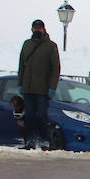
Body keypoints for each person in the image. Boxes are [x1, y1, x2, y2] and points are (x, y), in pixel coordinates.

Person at [18, 18, 61, 150]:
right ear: (32, 29)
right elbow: (21, 66)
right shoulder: (27, 44)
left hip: (43, 90)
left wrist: (52, 87)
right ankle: (30, 139)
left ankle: (44, 140)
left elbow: (55, 68)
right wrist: (20, 83)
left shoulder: (50, 46)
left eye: (39, 28)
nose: (37, 30)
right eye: (35, 28)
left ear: (44, 29)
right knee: (29, 116)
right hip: (28, 88)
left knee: (42, 115)